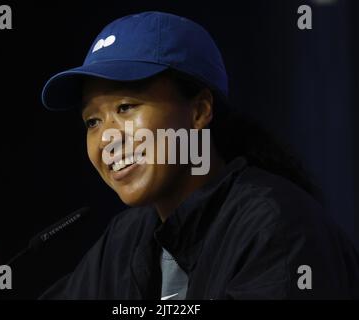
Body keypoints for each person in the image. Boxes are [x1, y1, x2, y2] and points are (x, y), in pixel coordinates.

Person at [39, 11, 359, 299]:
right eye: (92, 121)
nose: (107, 137)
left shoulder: (276, 225)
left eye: (126, 107)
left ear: (199, 111)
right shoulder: (126, 238)